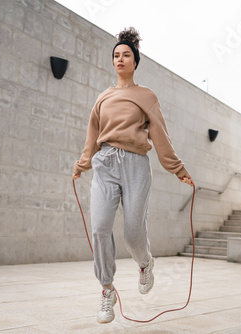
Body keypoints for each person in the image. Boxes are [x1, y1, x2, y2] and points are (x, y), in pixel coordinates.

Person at [72, 27, 194, 324]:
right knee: (100, 228)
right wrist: (83, 163)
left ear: (135, 60)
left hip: (136, 164)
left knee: (132, 231)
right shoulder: (103, 97)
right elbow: (92, 133)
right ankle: (106, 290)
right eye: (116, 55)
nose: (120, 59)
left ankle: (144, 262)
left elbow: (160, 135)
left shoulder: (145, 95)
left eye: (126, 54)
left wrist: (178, 169)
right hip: (105, 165)